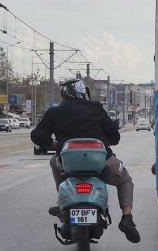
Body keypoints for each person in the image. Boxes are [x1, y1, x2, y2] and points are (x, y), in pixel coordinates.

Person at [31, 79, 140, 244]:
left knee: (54, 162)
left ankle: (61, 202)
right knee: (125, 179)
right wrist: (107, 141)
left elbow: (37, 135)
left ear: (64, 94)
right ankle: (127, 217)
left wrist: (53, 144)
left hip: (67, 162)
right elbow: (114, 136)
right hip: (102, 161)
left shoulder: (54, 112)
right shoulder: (96, 108)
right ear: (83, 93)